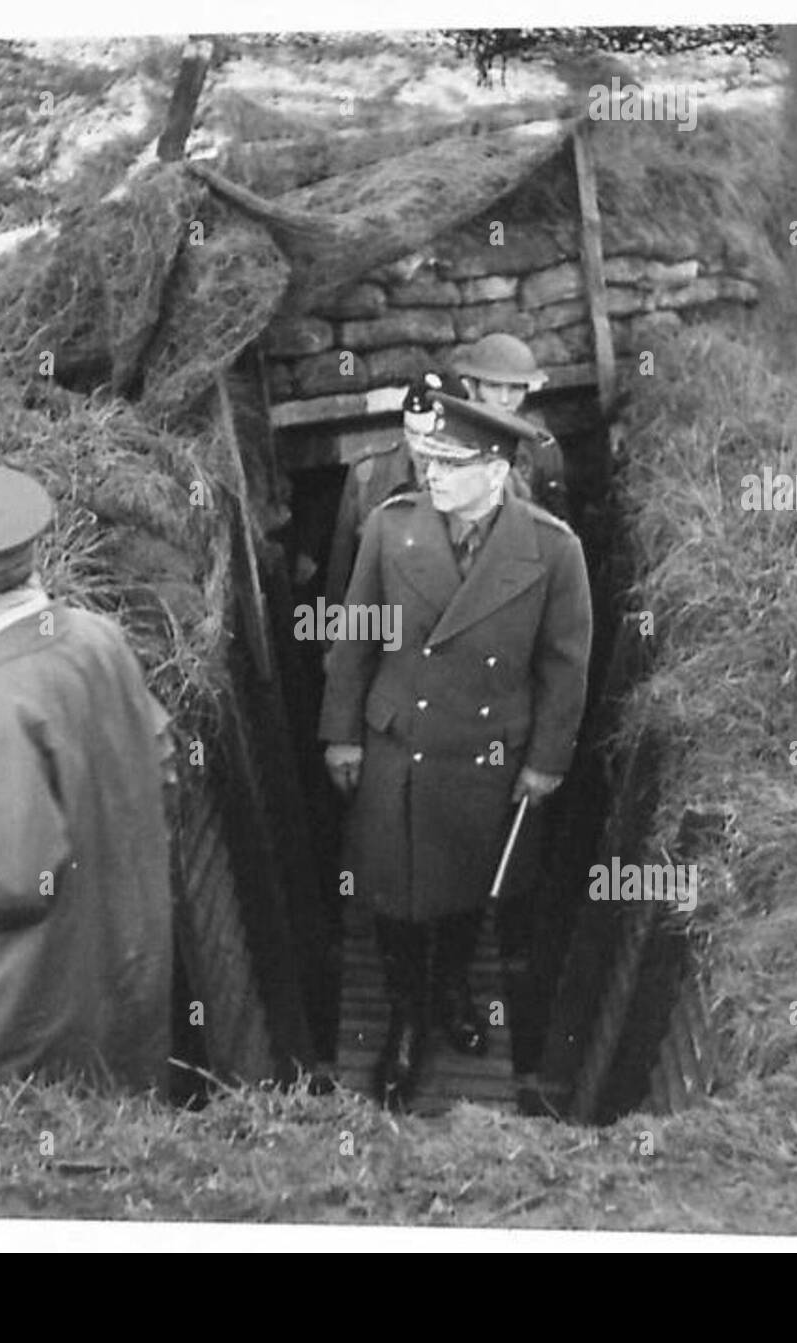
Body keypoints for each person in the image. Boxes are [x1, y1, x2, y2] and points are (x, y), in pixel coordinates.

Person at [319, 394, 593, 1108]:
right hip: (396, 749)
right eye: (428, 459)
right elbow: (353, 641)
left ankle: (452, 989)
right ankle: (407, 1014)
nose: (430, 472)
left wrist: (547, 761)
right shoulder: (390, 529)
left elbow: (566, 666)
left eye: (450, 462)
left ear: (497, 470)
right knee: (394, 894)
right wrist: (341, 734)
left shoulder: (554, 549)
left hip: (486, 759)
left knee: (470, 889)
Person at [0, 461, 175, 1091]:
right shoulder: (99, 639)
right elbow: (159, 759)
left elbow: (6, 878)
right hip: (116, 976)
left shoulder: (0, 701)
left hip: (26, 1019)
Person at [322, 371, 465, 610]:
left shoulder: (482, 479)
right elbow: (342, 571)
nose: (419, 447)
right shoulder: (368, 474)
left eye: (430, 437)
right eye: (412, 433)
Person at [452, 332, 570, 518]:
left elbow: (556, 517)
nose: (505, 399)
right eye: (493, 386)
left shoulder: (542, 444)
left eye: (515, 388)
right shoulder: (450, 437)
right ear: (473, 387)